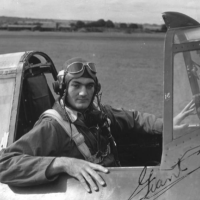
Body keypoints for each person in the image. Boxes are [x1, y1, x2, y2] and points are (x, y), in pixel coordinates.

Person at [0, 57, 195, 193]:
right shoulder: (53, 126)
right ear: (63, 89)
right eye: (76, 85)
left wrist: (168, 125)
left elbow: (135, 119)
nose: (84, 93)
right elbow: (4, 163)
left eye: (89, 86)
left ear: (96, 89)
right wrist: (62, 163)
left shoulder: (98, 113)